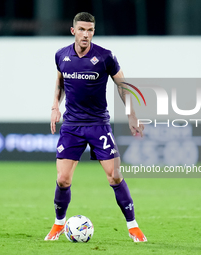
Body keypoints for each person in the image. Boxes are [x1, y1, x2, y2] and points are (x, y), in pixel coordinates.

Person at [45, 12, 146, 242]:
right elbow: (61, 82)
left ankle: (133, 226)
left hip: (98, 125)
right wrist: (54, 106)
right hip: (71, 125)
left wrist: (132, 115)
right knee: (63, 179)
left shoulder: (105, 57)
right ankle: (59, 223)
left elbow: (123, 86)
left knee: (115, 176)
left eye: (90, 30)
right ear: (73, 31)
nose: (86, 34)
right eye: (81, 29)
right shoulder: (61, 55)